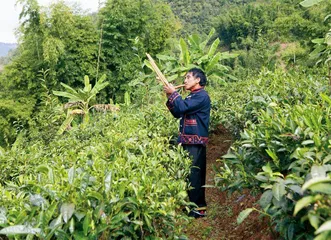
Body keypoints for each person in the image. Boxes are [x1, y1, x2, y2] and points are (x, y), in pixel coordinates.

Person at [163, 68, 211, 218]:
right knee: (189, 173)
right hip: (188, 140)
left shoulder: (202, 96)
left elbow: (182, 106)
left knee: (194, 173)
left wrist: (174, 93)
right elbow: (178, 112)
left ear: (198, 80)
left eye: (188, 78)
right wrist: (170, 95)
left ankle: (199, 208)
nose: (185, 81)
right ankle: (192, 206)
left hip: (195, 142)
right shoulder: (192, 96)